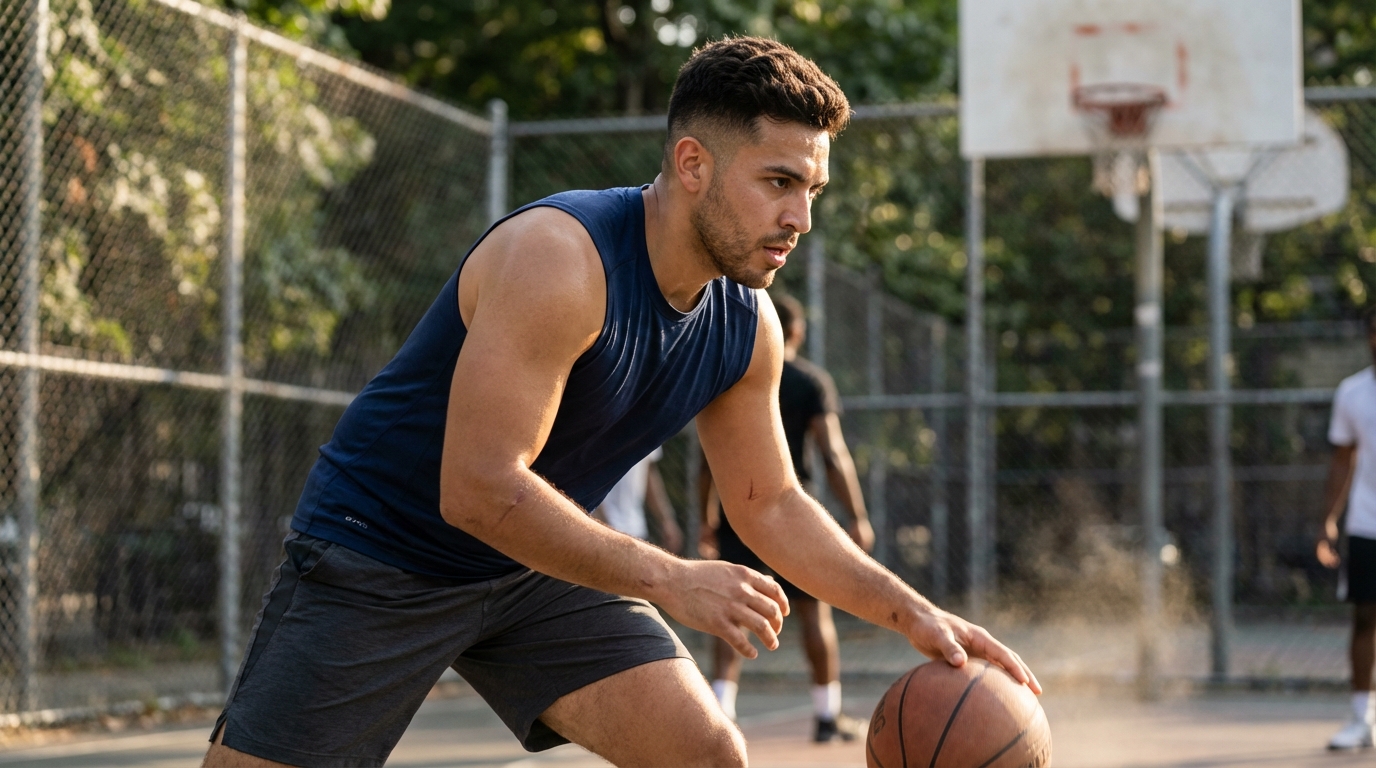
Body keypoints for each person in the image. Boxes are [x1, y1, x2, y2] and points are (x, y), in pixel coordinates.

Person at [204, 36, 1039, 768]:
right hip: (382, 552)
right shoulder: (561, 260)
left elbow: (772, 503)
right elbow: (480, 489)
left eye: (812, 190)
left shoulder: (746, 326)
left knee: (706, 753)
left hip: (532, 565)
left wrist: (916, 615)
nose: (800, 218)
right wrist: (669, 578)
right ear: (692, 163)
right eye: (779, 182)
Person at [699, 291, 875, 742]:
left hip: (740, 507)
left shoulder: (731, 374)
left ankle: (721, 715)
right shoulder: (810, 381)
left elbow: (708, 460)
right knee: (814, 613)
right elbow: (833, 452)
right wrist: (856, 515)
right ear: (796, 331)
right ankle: (826, 715)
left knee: (731, 609)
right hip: (792, 513)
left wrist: (707, 519)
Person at [1320, 308, 1376, 751]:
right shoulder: (1353, 392)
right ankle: (1361, 719)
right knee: (1364, 618)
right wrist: (1328, 520)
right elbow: (1343, 460)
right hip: (1366, 523)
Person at [594, 447, 684, 554]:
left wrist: (666, 520)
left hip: (636, 531)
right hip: (597, 531)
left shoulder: (650, 430)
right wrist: (598, 521)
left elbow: (649, 470)